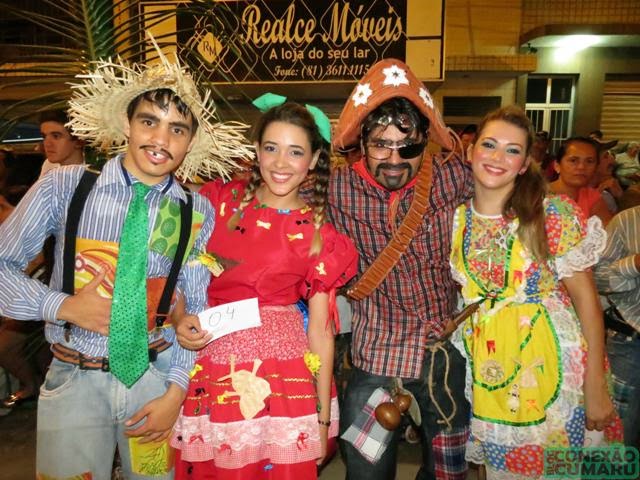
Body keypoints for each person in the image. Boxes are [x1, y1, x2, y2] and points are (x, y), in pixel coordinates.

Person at [0, 36, 252, 479]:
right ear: (127, 124)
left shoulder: (195, 211)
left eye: (178, 129)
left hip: (155, 381)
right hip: (74, 380)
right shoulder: (66, 187)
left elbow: (194, 307)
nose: (161, 139)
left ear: (190, 141)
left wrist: (176, 392)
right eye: (149, 121)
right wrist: (62, 305)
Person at [171, 95, 358, 479]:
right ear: (256, 150)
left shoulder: (320, 235)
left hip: (283, 379)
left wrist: (321, 419)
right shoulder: (217, 202)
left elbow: (321, 331)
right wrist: (179, 317)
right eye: (271, 148)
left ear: (314, 160)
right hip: (213, 368)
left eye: (295, 152)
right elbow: (178, 274)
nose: (280, 163)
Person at [450, 105, 621, 478]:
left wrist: (595, 384)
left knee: (562, 470)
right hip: (492, 372)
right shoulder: (455, 219)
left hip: (557, 368)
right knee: (502, 471)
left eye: (512, 150)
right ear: (470, 151)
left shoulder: (550, 214)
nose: (498, 157)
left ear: (525, 163)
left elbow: (587, 302)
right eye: (489, 144)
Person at [329, 59, 473, 479]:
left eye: (407, 147)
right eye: (381, 145)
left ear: (425, 143)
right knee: (366, 473)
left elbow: (508, 193)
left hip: (441, 357)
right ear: (362, 141)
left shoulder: (452, 177)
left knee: (448, 472)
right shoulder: (335, 188)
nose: (394, 159)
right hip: (375, 357)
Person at [594, 206, 640, 449]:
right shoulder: (626, 221)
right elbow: (598, 279)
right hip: (631, 340)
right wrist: (634, 264)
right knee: (617, 437)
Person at [550, 136, 613, 225]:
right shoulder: (537, 196)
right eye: (573, 160)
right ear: (557, 166)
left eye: (589, 161)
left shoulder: (593, 198)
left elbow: (608, 230)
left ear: (596, 167)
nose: (581, 167)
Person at [38, 109, 85, 179]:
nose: (47, 144)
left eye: (56, 136)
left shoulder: (95, 172)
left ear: (79, 141)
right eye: (44, 136)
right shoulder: (49, 165)